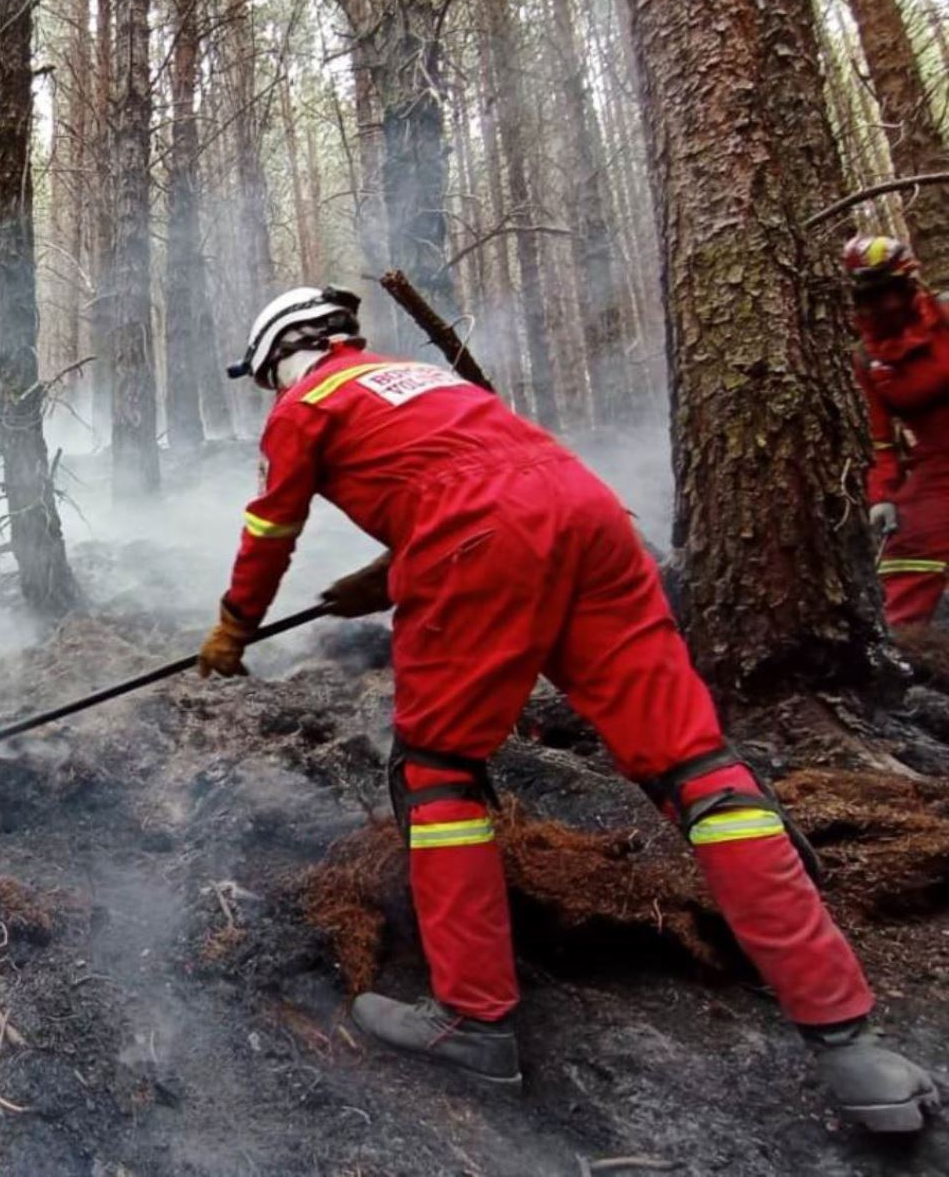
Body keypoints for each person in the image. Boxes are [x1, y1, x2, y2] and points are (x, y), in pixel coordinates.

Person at [196, 286, 938, 1131]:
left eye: (267, 380)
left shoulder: (308, 402)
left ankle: (474, 1024)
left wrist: (233, 628)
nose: (272, 393)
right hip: (593, 523)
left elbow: (270, 527)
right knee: (695, 768)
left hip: (478, 537)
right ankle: (851, 1043)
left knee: (437, 771)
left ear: (278, 358)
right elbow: (488, 470)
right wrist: (398, 555)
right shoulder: (422, 379)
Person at [846, 235, 949, 625]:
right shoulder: (868, 359)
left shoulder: (945, 315)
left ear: (907, 286)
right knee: (907, 548)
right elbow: (881, 443)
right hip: (937, 467)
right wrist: (882, 498)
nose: (876, 308)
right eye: (865, 299)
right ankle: (906, 656)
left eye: (883, 295)